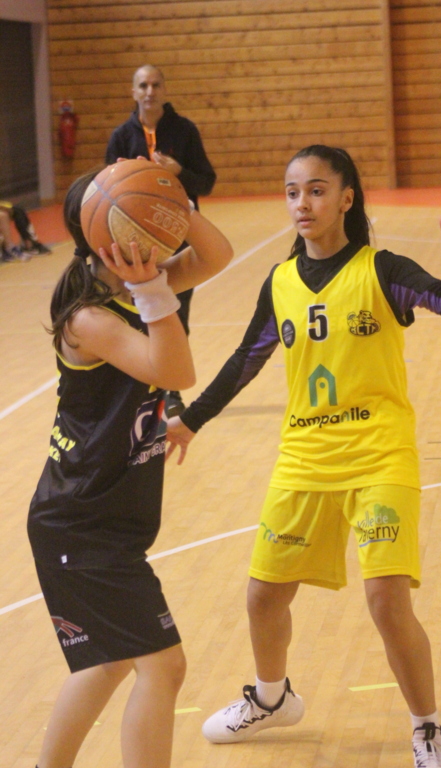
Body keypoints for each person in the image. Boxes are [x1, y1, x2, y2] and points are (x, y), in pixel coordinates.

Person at [165, 145, 441, 768]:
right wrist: (191, 420)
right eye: (292, 192)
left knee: (386, 599)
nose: (302, 203)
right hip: (306, 456)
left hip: (379, 453)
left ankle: (426, 727)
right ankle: (272, 699)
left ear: (346, 198)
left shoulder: (381, 269)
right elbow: (246, 359)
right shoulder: (281, 282)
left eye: (316, 190)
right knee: (263, 597)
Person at [27, 168, 233, 768]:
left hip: (103, 516)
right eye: (142, 222)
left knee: (108, 662)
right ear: (107, 237)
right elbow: (176, 373)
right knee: (165, 665)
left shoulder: (139, 283)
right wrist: (153, 290)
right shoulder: (88, 317)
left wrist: (168, 196)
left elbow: (216, 253)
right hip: (80, 523)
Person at [105, 65, 217, 416]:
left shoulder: (184, 131)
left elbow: (207, 182)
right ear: (134, 91)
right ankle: (140, 390)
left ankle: (172, 391)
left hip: (176, 237)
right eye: (143, 85)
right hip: (133, 243)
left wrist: (178, 172)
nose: (150, 91)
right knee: (134, 317)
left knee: (175, 314)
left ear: (164, 90)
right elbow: (105, 191)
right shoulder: (121, 136)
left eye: (155, 84)